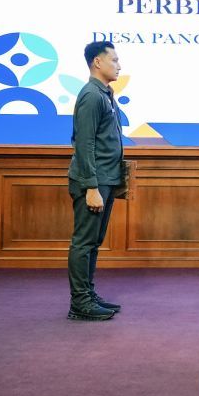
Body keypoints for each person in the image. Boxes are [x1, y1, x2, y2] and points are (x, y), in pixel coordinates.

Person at [66, 41, 124, 321]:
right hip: (93, 181)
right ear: (97, 63)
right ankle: (80, 303)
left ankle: (88, 294)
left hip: (105, 179)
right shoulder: (91, 95)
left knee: (93, 241)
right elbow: (84, 143)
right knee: (84, 242)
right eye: (114, 60)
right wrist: (91, 187)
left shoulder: (105, 94)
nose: (119, 66)